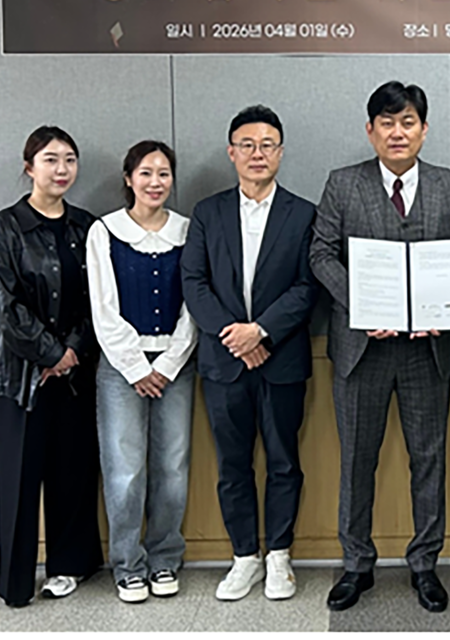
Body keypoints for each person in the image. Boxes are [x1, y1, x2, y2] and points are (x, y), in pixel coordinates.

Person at [310, 81, 450, 613]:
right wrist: (364, 306)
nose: (397, 132)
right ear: (370, 130)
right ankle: (356, 563)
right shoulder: (343, 184)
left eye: (407, 122)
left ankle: (424, 563)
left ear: (424, 130)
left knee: (429, 459)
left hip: (428, 351)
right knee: (357, 460)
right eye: (387, 122)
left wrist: (442, 310)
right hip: (362, 351)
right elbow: (321, 255)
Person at [180, 106, 318, 602]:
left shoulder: (304, 213)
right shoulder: (208, 212)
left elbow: (308, 286)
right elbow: (193, 282)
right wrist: (234, 336)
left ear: (280, 152)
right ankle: (244, 557)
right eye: (247, 145)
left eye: (267, 145)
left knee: (284, 461)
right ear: (231, 152)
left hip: (282, 359)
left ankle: (279, 555)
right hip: (223, 363)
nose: (257, 154)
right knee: (232, 465)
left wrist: (260, 332)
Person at [0, 126, 103, 607]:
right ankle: (15, 582)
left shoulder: (86, 227)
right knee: (18, 478)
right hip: (19, 378)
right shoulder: (5, 227)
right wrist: (51, 353)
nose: (62, 169)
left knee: (72, 473)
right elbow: (5, 305)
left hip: (74, 375)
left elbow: (100, 300)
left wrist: (71, 351)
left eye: (69, 159)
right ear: (29, 166)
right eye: (50, 159)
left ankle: (69, 567)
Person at [87, 140, 198, 603]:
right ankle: (128, 564)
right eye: (146, 173)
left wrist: (169, 363)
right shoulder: (104, 232)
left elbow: (195, 303)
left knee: (172, 466)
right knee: (125, 469)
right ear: (128, 178)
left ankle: (165, 557)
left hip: (177, 366)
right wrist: (135, 366)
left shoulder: (188, 230)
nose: (156, 182)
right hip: (120, 369)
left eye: (164, 173)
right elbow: (102, 307)